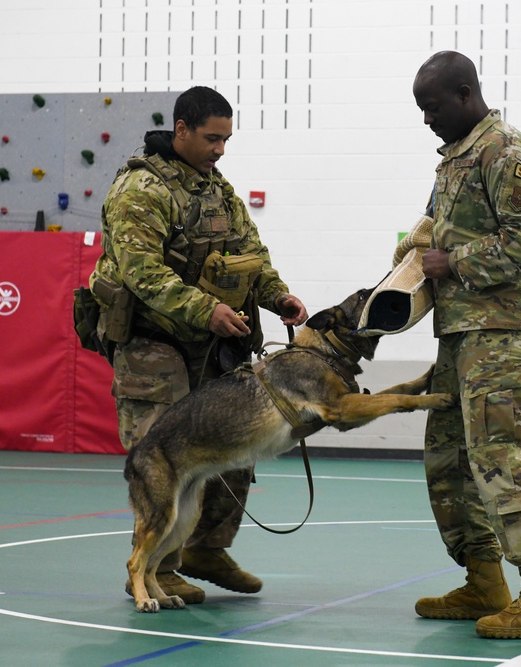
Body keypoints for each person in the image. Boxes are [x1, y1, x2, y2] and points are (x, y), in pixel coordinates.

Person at [90, 86, 308, 604]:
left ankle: (207, 549)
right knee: (163, 462)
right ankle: (155, 571)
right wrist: (205, 310)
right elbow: (142, 272)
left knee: (236, 448)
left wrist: (277, 297)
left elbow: (251, 252)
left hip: (211, 344)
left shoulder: (216, 188)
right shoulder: (141, 189)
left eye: (227, 139)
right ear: (181, 130)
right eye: (212, 138)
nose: (220, 149)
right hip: (153, 344)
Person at [409, 51, 521, 640]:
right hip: (461, 328)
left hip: (505, 327)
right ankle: (483, 577)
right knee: (448, 457)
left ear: (464, 92)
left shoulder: (507, 152)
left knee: (497, 453)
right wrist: (416, 245)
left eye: (432, 107)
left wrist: (450, 260)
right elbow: (439, 228)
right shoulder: (456, 157)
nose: (426, 119)